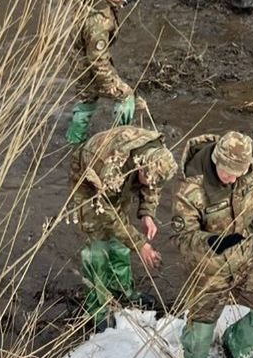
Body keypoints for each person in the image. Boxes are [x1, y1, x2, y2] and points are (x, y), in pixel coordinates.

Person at [172, 131, 253, 358]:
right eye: (227, 173)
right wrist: (211, 242)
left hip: (244, 263)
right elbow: (181, 237)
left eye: (237, 174)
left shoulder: (245, 176)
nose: (232, 179)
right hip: (208, 274)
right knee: (198, 345)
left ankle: (237, 346)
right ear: (215, 160)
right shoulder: (192, 187)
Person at [69, 126, 177, 328]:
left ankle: (122, 289)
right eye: (148, 179)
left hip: (122, 177)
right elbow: (110, 214)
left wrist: (147, 214)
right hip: (89, 175)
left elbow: (152, 187)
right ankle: (97, 307)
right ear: (140, 168)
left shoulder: (157, 156)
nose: (151, 184)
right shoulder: (112, 168)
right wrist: (140, 244)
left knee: (119, 239)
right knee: (98, 241)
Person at [65, 0, 144, 145]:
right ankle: (119, 139)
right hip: (86, 64)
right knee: (125, 96)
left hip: (78, 57)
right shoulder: (98, 24)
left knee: (86, 97)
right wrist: (114, 86)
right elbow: (98, 61)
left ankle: (74, 139)